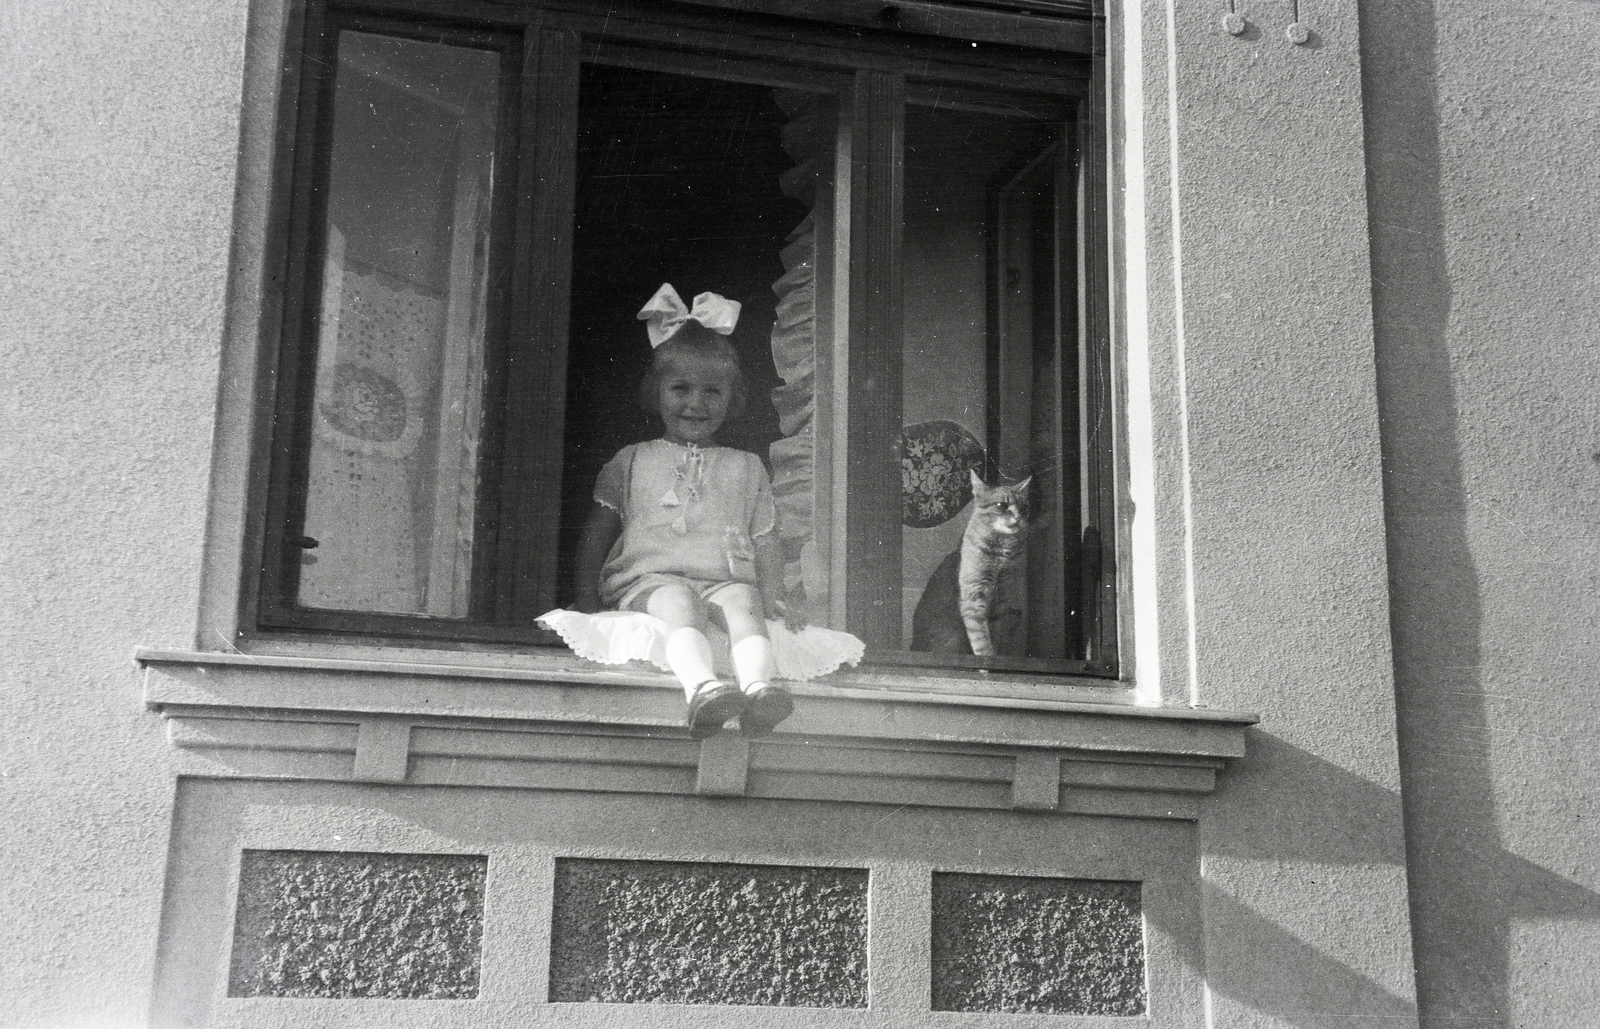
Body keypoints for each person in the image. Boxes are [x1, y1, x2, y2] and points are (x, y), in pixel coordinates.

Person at [572, 283, 802, 738]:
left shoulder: (746, 466)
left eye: (713, 392)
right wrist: (585, 598)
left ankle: (760, 689)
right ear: (655, 393)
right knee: (677, 603)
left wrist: (775, 598)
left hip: (723, 579)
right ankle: (702, 689)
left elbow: (766, 538)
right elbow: (597, 534)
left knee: (746, 603)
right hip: (650, 579)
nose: (696, 403)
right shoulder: (632, 460)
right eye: (681, 388)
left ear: (732, 399)